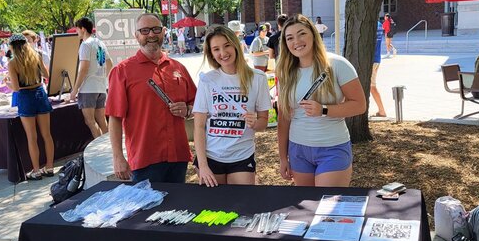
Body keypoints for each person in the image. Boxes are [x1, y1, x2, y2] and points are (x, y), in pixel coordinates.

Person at [276, 14, 367, 187]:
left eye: (302, 34)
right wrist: (282, 157)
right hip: (298, 150)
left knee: (327, 208)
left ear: (313, 35)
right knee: (308, 208)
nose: (296, 41)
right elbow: (284, 118)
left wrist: (324, 110)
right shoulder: (285, 71)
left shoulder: (337, 64)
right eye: (290, 38)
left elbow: (359, 105)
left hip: (332, 147)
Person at [105, 13, 196, 183]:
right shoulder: (122, 71)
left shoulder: (178, 68)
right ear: (137, 35)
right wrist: (118, 157)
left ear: (163, 32)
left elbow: (196, 103)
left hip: (178, 156)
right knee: (147, 209)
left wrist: (188, 109)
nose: (151, 35)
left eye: (155, 29)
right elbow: (115, 118)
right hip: (145, 159)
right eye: (145, 30)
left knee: (177, 208)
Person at [193, 25, 271, 187]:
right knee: (214, 209)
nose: (223, 53)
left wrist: (255, 122)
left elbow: (263, 122)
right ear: (211, 54)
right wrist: (203, 165)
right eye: (216, 49)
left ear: (235, 45)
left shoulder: (258, 78)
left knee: (241, 207)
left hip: (242, 156)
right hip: (211, 156)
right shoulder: (207, 80)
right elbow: (199, 126)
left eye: (227, 45)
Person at [7, 33, 54, 180]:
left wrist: (7, 83)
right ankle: (50, 166)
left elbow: (15, 88)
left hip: (25, 97)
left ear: (12, 47)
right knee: (47, 135)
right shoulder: (36, 56)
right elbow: (47, 75)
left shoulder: (12, 63)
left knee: (31, 137)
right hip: (40, 93)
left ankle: (36, 170)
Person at [71, 17, 112, 138]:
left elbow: (83, 69)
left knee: (90, 121)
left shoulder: (85, 45)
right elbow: (110, 64)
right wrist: (102, 78)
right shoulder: (100, 43)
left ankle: (101, 150)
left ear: (82, 29)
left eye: (77, 29)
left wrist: (75, 89)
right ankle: (109, 148)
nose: (76, 32)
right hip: (101, 87)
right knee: (102, 120)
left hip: (88, 89)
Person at [370, 21, 387, 118]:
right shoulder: (379, 25)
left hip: (371, 60)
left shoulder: (370, 25)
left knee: (372, 86)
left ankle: (382, 110)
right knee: (371, 86)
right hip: (376, 58)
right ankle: (381, 110)